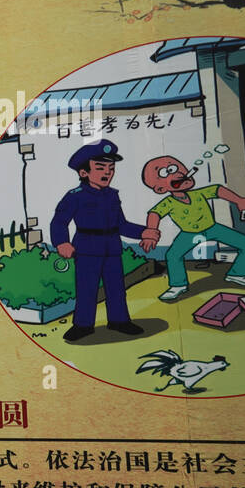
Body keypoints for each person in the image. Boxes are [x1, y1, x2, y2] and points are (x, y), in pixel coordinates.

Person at [49, 140, 160, 342]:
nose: (107, 172)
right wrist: (61, 243)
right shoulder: (75, 196)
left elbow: (122, 224)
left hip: (112, 247)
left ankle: (119, 321)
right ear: (84, 173)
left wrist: (145, 232)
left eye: (111, 168)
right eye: (100, 167)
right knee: (87, 288)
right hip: (86, 248)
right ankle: (83, 325)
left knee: (116, 287)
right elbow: (59, 222)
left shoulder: (112, 195)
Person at [139, 154, 245, 301]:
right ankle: (178, 285)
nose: (178, 173)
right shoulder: (169, 203)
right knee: (173, 255)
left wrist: (239, 200)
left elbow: (217, 190)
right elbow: (154, 213)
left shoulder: (198, 193)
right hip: (189, 234)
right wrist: (151, 232)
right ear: (160, 188)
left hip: (212, 228)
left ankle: (237, 274)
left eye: (176, 168)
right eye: (167, 172)